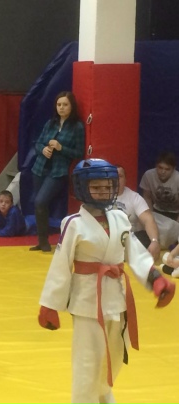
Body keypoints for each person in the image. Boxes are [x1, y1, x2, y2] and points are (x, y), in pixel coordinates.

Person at [38, 158, 176, 404]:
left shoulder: (120, 218)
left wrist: (154, 278)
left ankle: (102, 397)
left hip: (116, 300)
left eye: (107, 186)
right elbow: (61, 263)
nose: (103, 191)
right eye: (96, 187)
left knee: (113, 358)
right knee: (87, 362)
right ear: (82, 188)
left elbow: (134, 251)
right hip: (87, 303)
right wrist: (50, 304)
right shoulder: (73, 223)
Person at [29, 91, 85, 252]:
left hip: (58, 171)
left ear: (72, 106)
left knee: (41, 201)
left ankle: (46, 240)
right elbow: (38, 143)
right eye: (59, 104)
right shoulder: (50, 123)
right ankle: (42, 241)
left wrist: (61, 148)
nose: (61, 107)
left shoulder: (77, 127)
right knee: (39, 205)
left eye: (65, 104)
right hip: (40, 168)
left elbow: (79, 153)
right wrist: (43, 149)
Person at [115, 165, 162, 260]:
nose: (116, 179)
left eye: (120, 176)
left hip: (129, 238)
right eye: (113, 176)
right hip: (108, 236)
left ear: (125, 180)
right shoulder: (100, 196)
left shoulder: (134, 198)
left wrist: (154, 241)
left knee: (145, 237)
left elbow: (148, 219)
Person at [139, 151, 179, 221]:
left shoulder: (177, 178)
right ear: (156, 166)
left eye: (167, 169)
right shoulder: (148, 175)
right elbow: (147, 197)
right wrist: (150, 217)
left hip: (175, 212)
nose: (163, 172)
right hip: (156, 210)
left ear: (173, 169)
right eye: (160, 168)